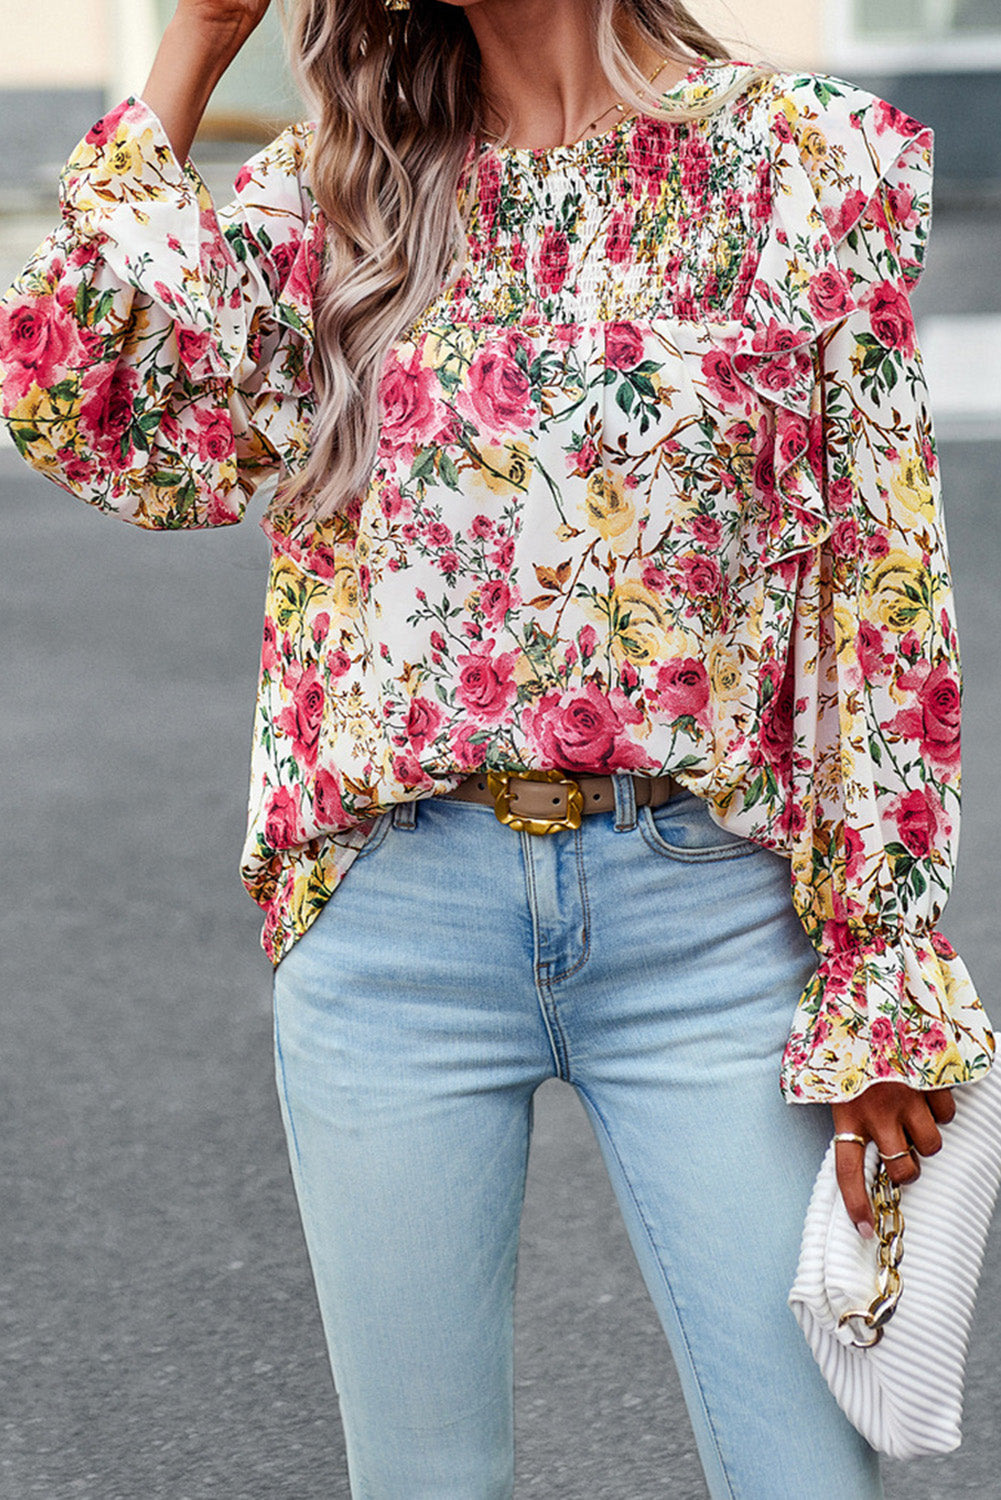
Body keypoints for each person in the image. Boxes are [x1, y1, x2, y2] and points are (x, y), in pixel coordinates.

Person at [0, 1, 995, 1495]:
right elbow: (87, 411)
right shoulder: (342, 185)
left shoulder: (802, 165)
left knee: (804, 1475)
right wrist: (191, 54)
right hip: (395, 927)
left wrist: (882, 965)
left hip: (708, 923)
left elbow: (881, 596)